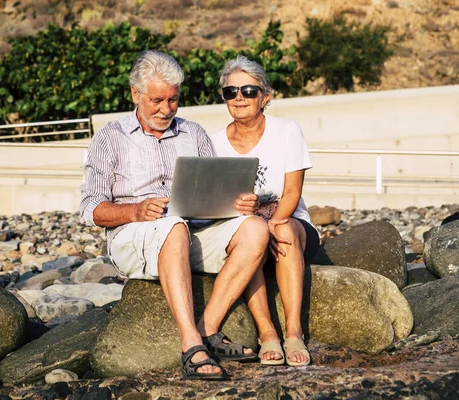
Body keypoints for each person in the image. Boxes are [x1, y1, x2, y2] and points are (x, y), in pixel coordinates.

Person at [80, 50, 270, 380]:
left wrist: (236, 206)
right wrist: (135, 211)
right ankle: (190, 345)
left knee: (254, 229)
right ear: (134, 94)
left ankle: (207, 328)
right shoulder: (109, 138)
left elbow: (217, 191)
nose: (166, 109)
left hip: (192, 232)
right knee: (173, 227)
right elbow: (89, 210)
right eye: (157, 100)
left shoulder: (193, 133)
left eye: (173, 100)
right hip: (135, 236)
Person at [210, 55, 320, 367]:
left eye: (248, 90)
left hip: (290, 224)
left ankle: (294, 332)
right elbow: (218, 203)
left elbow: (291, 193)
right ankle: (267, 332)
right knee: (252, 234)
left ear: (265, 97)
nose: (239, 98)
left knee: (279, 228)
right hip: (247, 231)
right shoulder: (214, 143)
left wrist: (270, 225)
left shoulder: (287, 130)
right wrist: (258, 229)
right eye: (231, 92)